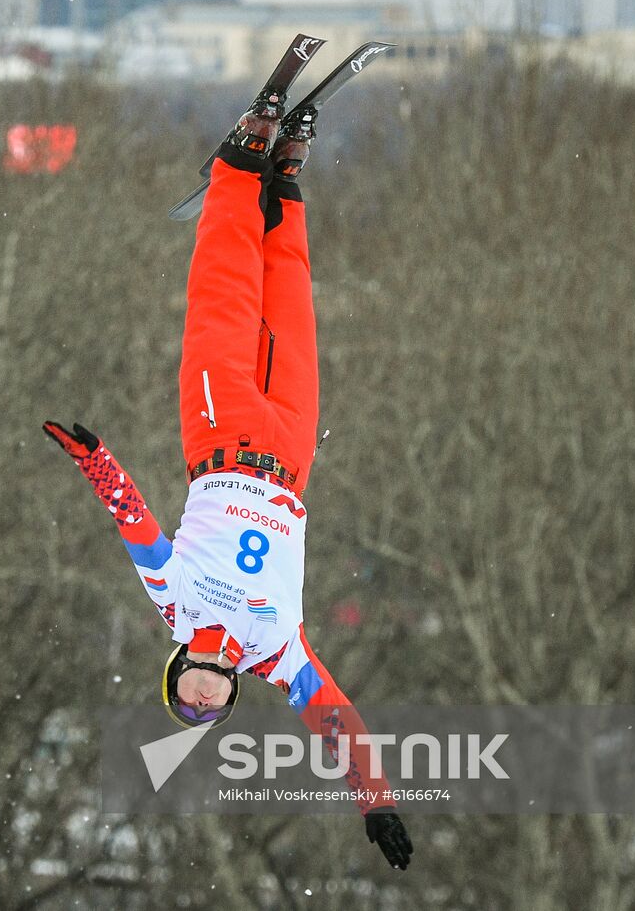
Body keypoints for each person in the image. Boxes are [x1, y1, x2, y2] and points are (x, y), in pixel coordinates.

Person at [44, 96, 414, 870]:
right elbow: (337, 721)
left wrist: (93, 457)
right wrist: (375, 800)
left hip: (221, 435)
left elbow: (133, 518)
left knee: (225, 298)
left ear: (178, 671)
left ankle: (239, 164)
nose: (203, 703)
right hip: (290, 453)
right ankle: (285, 179)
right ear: (232, 694)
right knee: (289, 300)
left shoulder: (174, 600)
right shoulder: (278, 652)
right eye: (209, 710)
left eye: (188, 699)